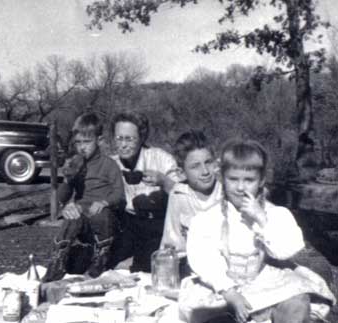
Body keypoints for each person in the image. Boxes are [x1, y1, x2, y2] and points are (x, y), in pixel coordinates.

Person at [179, 139, 336, 323]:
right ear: (222, 178)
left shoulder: (273, 214)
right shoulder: (208, 219)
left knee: (297, 302)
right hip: (224, 285)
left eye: (249, 180)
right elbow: (205, 259)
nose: (240, 187)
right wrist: (229, 292)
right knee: (208, 312)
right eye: (233, 179)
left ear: (261, 181)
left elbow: (287, 249)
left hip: (263, 280)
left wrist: (261, 219)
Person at [42, 112, 125, 282]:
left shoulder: (109, 164)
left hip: (107, 219)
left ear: (99, 141)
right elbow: (65, 193)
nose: (82, 147)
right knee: (73, 217)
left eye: (87, 142)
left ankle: (101, 256)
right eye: (78, 142)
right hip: (84, 218)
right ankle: (58, 259)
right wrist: (66, 184)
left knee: (102, 214)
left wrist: (104, 201)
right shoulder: (76, 164)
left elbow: (119, 194)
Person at [108, 111, 183, 273]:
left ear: (142, 138)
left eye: (129, 139)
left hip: (158, 223)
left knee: (147, 267)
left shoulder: (162, 159)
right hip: (127, 223)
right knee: (109, 264)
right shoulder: (111, 164)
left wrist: (163, 181)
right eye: (119, 139)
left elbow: (183, 195)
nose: (123, 145)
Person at [160, 130, 222, 257]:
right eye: (195, 166)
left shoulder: (226, 192)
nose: (205, 171)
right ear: (181, 173)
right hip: (191, 263)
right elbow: (172, 241)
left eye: (208, 162)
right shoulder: (178, 195)